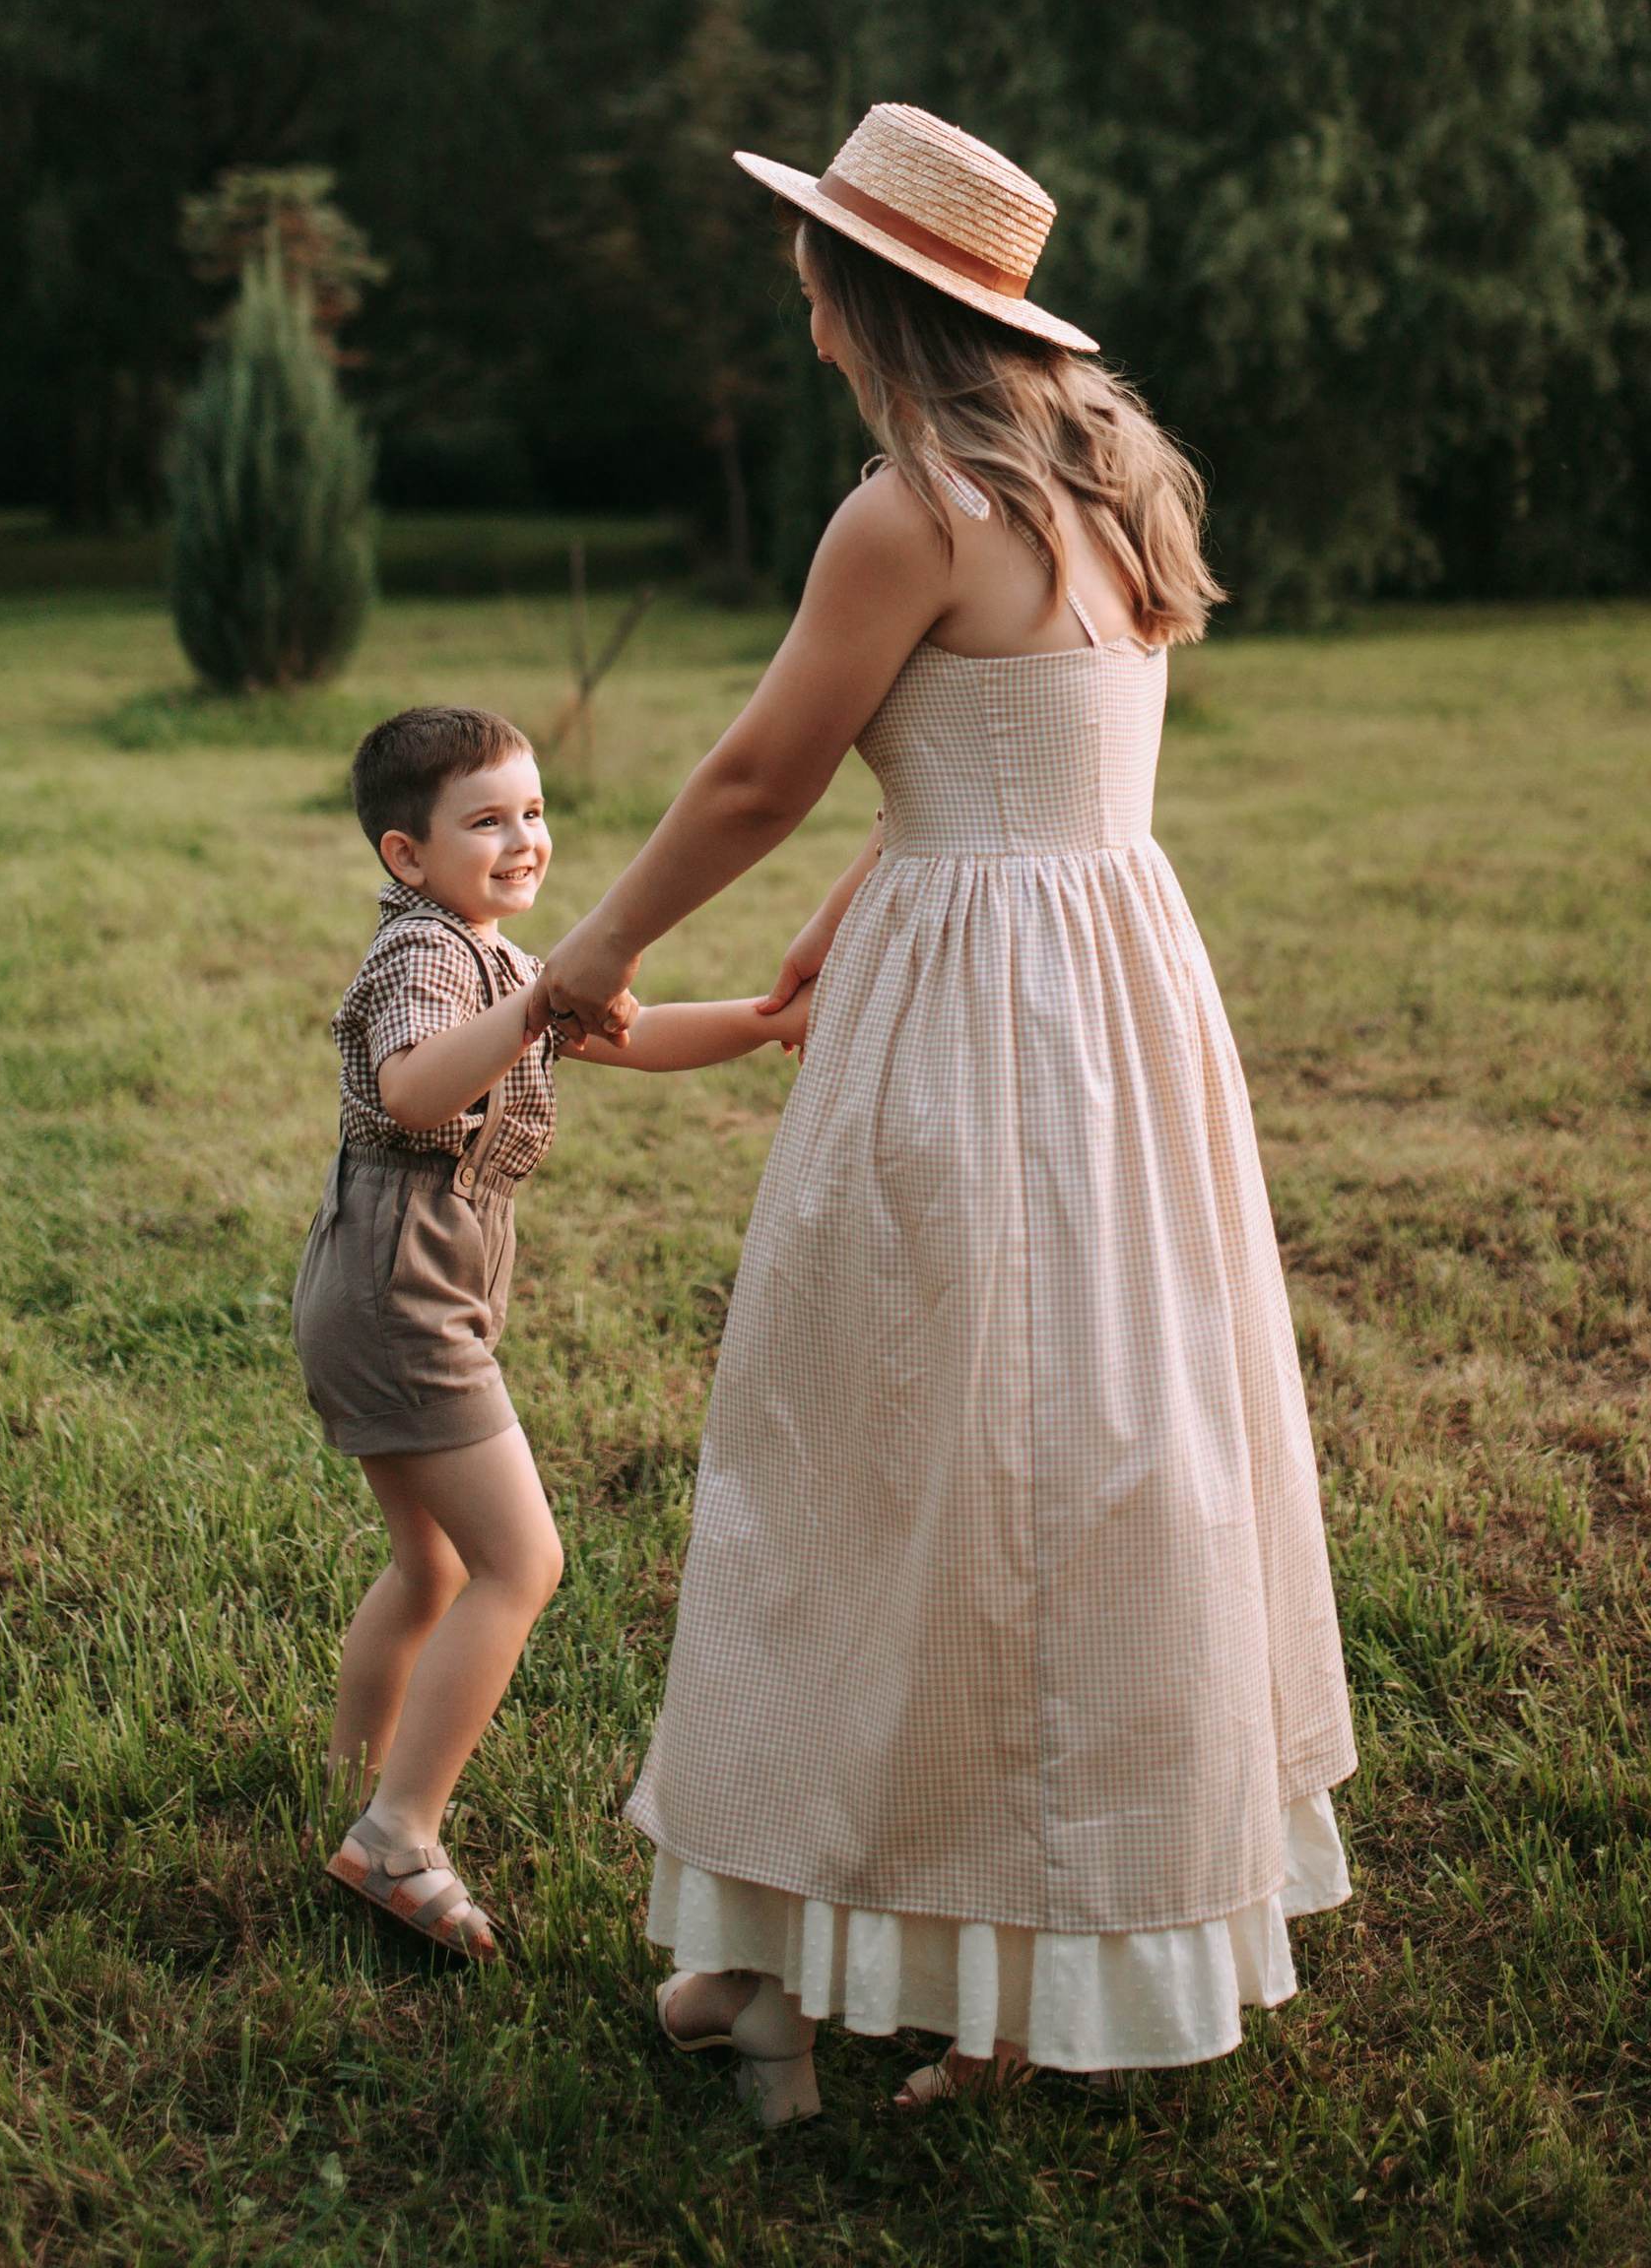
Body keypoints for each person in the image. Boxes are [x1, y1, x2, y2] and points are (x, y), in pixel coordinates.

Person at [526, 104, 1357, 2120]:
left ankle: (787, 1985)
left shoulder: (906, 507)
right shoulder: (1116, 481)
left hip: (973, 1034)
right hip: (1120, 1005)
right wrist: (853, 894)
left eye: (808, 259)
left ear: (862, 289)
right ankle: (989, 1986)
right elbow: (1014, 759)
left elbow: (757, 770)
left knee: (867, 1455)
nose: (794, 292)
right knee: (1079, 1458)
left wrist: (589, 959)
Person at [294, 701, 804, 1963]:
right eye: (486, 821)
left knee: (433, 1568)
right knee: (522, 1565)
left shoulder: (491, 953)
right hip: (401, 1291)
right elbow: (415, 1086)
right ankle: (398, 1836)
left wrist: (767, 1018)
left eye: (532, 812)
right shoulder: (426, 956)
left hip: (385, 1281)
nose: (524, 840)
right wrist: (533, 1010)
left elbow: (641, 1033)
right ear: (406, 856)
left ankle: (356, 1789)